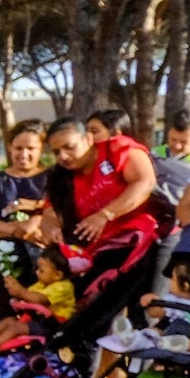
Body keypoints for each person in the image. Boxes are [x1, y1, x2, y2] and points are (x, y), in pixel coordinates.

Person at [40, 116, 161, 279]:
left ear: (89, 139)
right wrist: (51, 229)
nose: (63, 156)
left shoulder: (117, 149)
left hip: (149, 237)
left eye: (69, 147)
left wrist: (104, 215)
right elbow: (50, 212)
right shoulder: (60, 178)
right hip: (102, 252)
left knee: (150, 301)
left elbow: (145, 182)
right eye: (56, 152)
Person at [0, 119, 48, 323]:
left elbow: (55, 214)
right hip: (4, 265)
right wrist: (16, 231)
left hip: (45, 268)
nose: (23, 154)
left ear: (42, 148)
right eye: (18, 148)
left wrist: (35, 214)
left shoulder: (52, 178)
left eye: (31, 148)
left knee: (40, 323)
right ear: (9, 147)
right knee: (3, 320)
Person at [0, 242, 76, 353]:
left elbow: (39, 299)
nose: (37, 272)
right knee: (9, 320)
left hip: (52, 327)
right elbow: (28, 295)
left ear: (57, 275)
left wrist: (20, 291)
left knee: (16, 327)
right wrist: (15, 291)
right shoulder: (43, 283)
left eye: (41, 270)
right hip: (39, 321)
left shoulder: (64, 287)